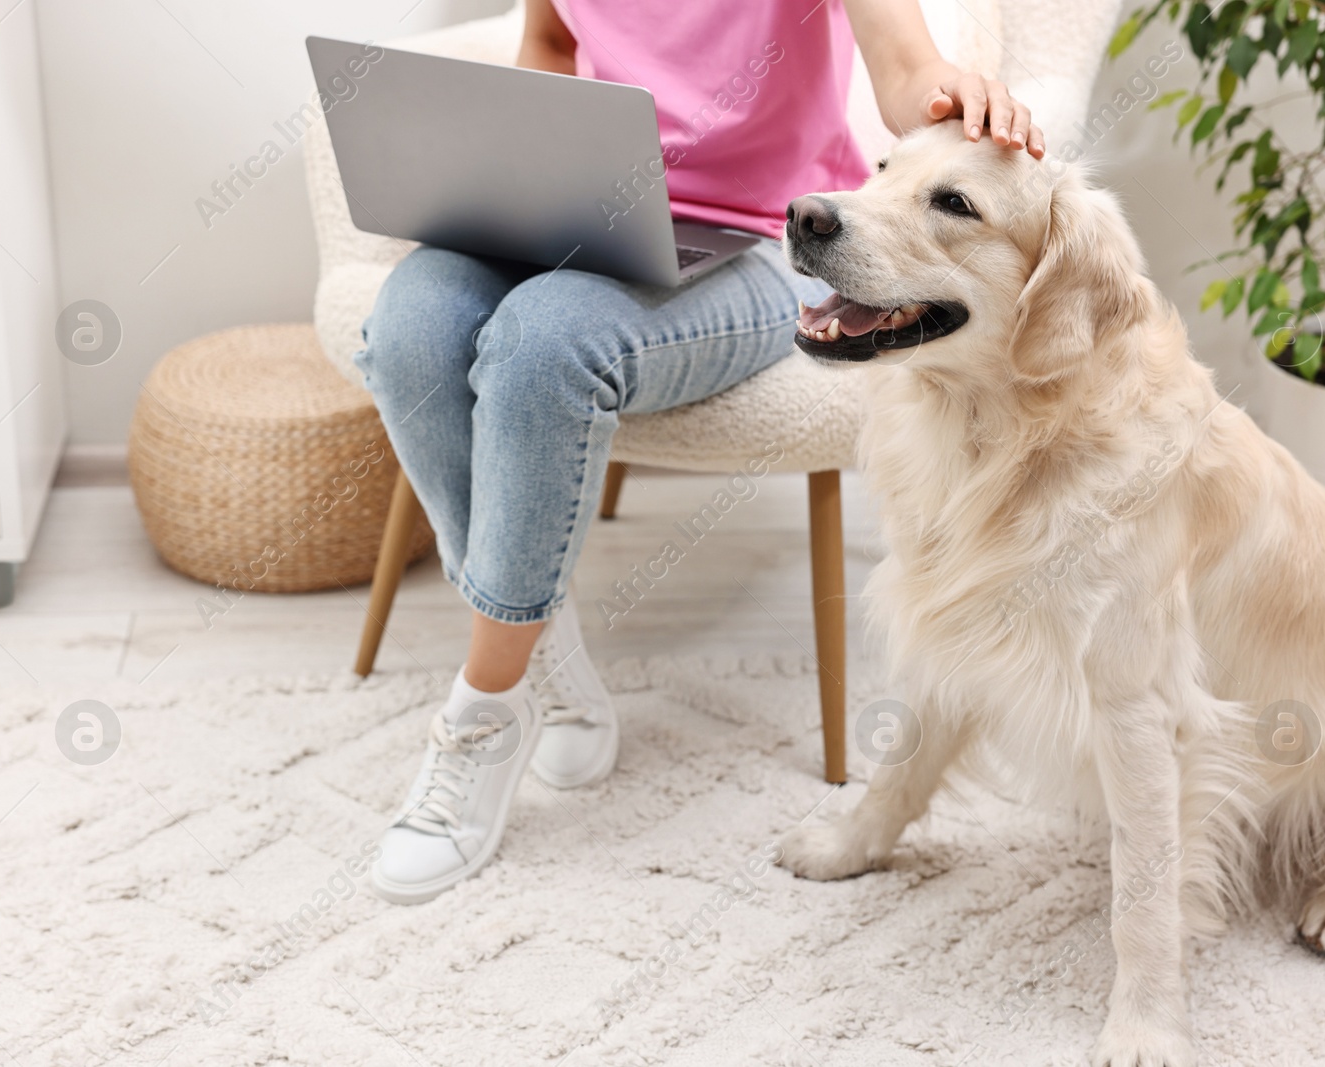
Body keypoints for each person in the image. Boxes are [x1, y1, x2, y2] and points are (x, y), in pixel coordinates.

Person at [355, 0, 1044, 904]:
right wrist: (511, 173)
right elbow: (553, 41)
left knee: (541, 345)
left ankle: (486, 708)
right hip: (583, 218)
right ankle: (542, 643)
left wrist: (942, 94)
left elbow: (905, 64)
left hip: (760, 241)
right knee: (409, 324)